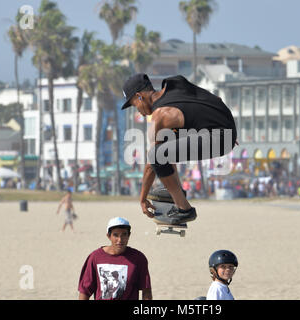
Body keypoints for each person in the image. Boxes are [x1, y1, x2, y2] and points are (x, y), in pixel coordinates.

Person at [121, 73, 237, 224]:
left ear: (140, 96)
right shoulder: (174, 83)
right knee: (167, 143)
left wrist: (142, 198)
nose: (138, 111)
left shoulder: (160, 116)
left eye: (134, 104)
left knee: (156, 154)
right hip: (224, 128)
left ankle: (184, 210)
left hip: (219, 138)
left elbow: (151, 164)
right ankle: (176, 193)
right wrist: (227, 126)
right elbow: (215, 100)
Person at [78, 217, 152, 300]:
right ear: (108, 236)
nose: (120, 240)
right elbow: (85, 291)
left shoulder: (138, 258)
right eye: (115, 235)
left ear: (129, 235)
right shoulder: (95, 257)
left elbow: (146, 291)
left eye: (124, 234)